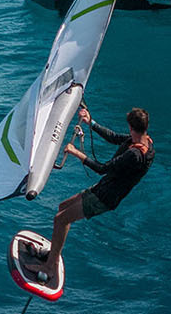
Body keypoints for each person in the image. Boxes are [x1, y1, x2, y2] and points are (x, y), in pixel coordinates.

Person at [25, 105, 155, 284]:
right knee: (62, 208)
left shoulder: (135, 155)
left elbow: (102, 169)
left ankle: (49, 268)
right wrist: (90, 122)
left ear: (132, 127)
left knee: (61, 219)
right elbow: (114, 138)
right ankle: (52, 255)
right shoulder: (144, 141)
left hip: (105, 197)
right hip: (103, 188)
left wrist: (75, 152)